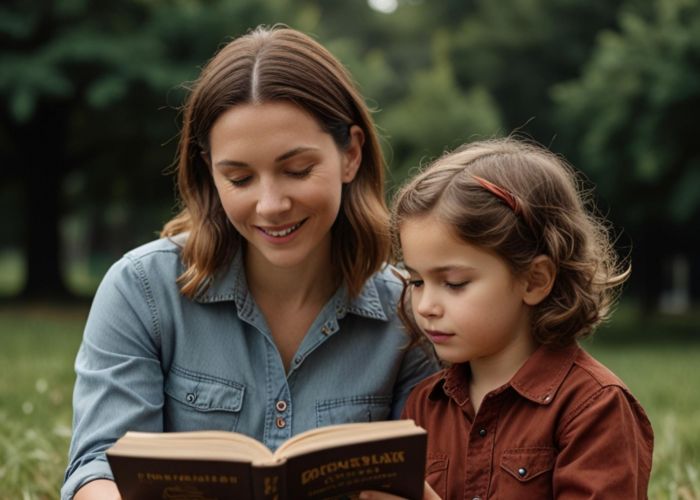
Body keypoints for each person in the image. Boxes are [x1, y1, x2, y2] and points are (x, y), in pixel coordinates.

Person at [61, 25, 439, 500]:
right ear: (209, 174)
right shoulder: (141, 289)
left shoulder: (412, 313)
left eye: (297, 170)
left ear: (351, 154)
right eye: (239, 178)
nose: (270, 204)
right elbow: (98, 464)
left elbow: (434, 476)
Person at [361, 137, 654, 499]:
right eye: (418, 281)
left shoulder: (594, 408)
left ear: (535, 280)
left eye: (453, 283)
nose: (425, 306)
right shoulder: (424, 405)